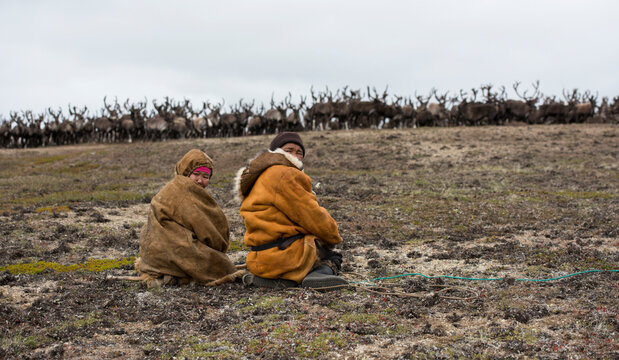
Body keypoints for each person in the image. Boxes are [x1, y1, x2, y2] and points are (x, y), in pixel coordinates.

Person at [235, 132, 346, 289]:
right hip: (286, 257)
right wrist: (333, 236)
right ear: (277, 152)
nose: (295, 155)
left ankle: (281, 280)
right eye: (289, 150)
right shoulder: (285, 174)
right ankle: (318, 275)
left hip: (259, 259)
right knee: (332, 256)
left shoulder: (260, 177)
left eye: (299, 152)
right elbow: (313, 216)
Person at [134, 149, 244, 287]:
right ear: (186, 173)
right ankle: (177, 274)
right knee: (221, 267)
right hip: (169, 250)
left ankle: (169, 274)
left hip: (152, 257)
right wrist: (218, 250)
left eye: (205, 176)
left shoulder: (172, 188)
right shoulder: (185, 193)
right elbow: (211, 235)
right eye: (196, 174)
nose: (200, 181)